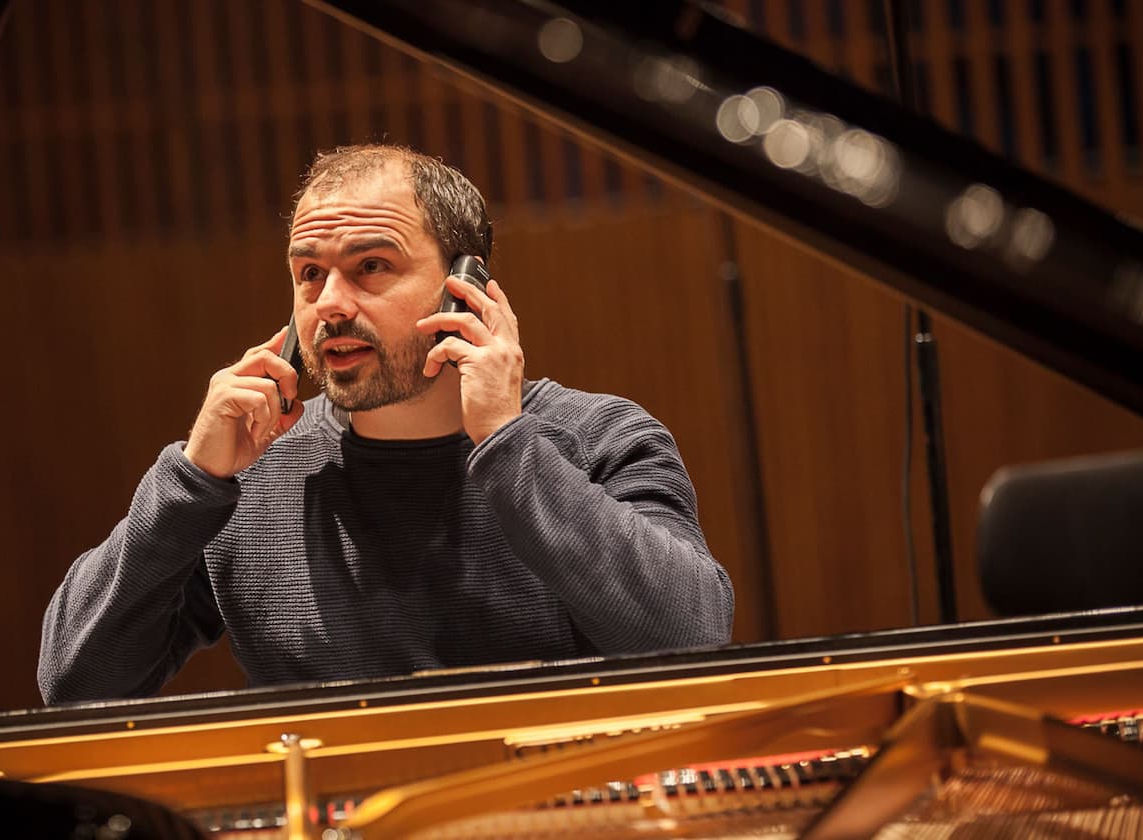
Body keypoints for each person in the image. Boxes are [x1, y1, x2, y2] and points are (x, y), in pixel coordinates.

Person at [38, 144, 733, 702]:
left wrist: (506, 441)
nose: (330, 305)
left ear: (467, 286)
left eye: (371, 266)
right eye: (309, 274)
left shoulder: (600, 440)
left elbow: (692, 640)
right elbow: (75, 684)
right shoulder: (246, 476)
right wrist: (192, 480)